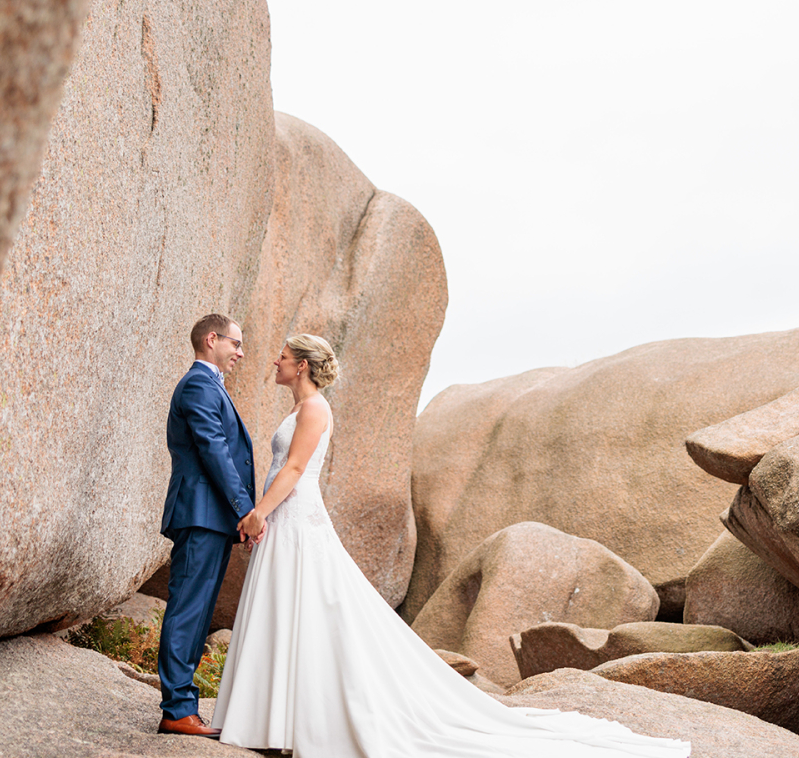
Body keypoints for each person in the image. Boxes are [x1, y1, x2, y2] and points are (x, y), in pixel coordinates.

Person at [211, 333, 690, 757]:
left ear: (302, 366)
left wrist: (258, 514)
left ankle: (291, 716)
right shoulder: (298, 408)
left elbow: (294, 471)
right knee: (288, 610)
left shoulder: (315, 408)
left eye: (282, 356)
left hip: (295, 518)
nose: (274, 361)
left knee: (310, 610)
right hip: (287, 517)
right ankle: (273, 716)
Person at [156, 314, 260, 738]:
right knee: (187, 610)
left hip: (211, 518)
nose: (240, 352)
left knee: (197, 614)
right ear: (211, 339)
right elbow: (214, 449)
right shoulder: (199, 384)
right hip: (201, 513)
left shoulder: (211, 385)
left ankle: (185, 706)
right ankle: (177, 709)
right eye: (235, 344)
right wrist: (244, 508)